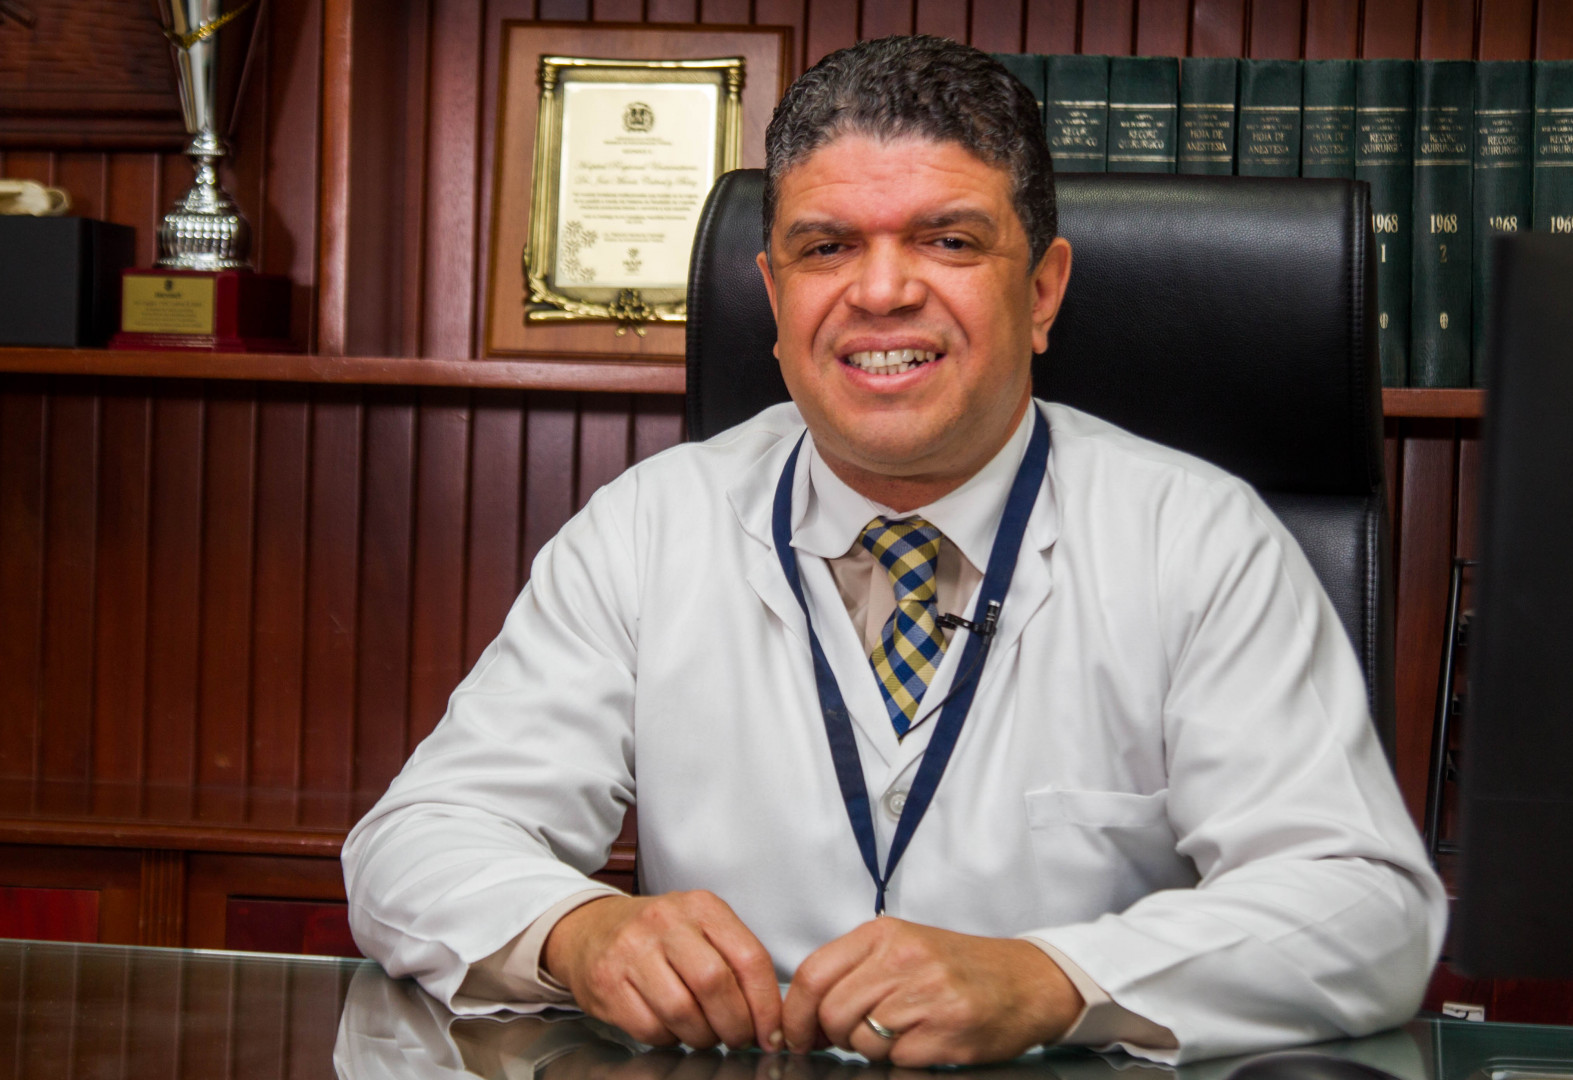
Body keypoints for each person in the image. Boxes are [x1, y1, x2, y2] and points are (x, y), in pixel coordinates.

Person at [342, 35, 1444, 1068]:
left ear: (1043, 290)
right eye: (827, 248)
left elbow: (1367, 909)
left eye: (948, 241)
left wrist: (1055, 978)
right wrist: (576, 931)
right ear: (775, 298)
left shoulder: (1199, 539)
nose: (880, 292)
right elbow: (418, 841)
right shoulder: (648, 527)